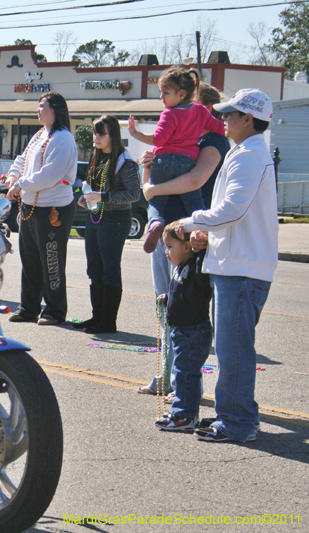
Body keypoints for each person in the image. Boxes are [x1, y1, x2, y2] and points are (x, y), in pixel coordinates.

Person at [173, 88, 277, 443]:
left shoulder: (248, 156)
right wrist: (207, 234)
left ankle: (238, 422)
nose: (224, 119)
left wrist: (190, 223)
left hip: (241, 271)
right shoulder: (245, 152)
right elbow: (235, 217)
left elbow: (234, 209)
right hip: (237, 265)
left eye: (231, 114)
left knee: (233, 351)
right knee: (233, 348)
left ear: (248, 119)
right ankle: (232, 416)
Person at [137, 83, 230, 397]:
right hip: (167, 229)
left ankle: (184, 382)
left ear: (202, 106)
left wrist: (151, 191)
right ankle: (167, 374)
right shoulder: (182, 137)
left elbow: (194, 180)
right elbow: (155, 164)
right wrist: (150, 166)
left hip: (190, 233)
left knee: (184, 311)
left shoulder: (214, 140)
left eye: (189, 105)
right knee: (164, 304)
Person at [128, 67, 225, 253]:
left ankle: (155, 222)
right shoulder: (200, 112)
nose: (161, 97)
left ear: (181, 94)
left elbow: (159, 139)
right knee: (194, 202)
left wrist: (136, 133)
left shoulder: (169, 114)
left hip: (163, 162)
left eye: (165, 93)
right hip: (187, 162)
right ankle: (200, 226)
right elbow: (220, 127)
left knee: (156, 203)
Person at [5, 92, 77, 326]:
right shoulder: (39, 135)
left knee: (51, 261)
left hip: (53, 209)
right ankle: (28, 308)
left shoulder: (63, 139)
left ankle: (55, 311)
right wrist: (13, 176)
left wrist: (19, 184)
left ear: (55, 110)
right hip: (29, 207)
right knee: (30, 260)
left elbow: (50, 175)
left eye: (42, 106)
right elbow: (22, 159)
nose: (38, 110)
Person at [73, 115, 140, 334]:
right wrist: (86, 198)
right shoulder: (97, 157)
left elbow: (133, 194)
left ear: (113, 136)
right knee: (94, 268)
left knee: (109, 269)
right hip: (96, 217)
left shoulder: (124, 161)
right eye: (95, 133)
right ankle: (97, 316)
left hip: (116, 219)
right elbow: (94, 190)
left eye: (101, 134)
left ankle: (108, 321)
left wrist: (102, 197)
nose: (96, 137)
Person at [154, 222, 212, 432]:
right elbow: (182, 294)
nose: (166, 252)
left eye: (170, 247)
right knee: (182, 371)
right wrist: (168, 298)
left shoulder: (197, 266)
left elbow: (198, 292)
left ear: (187, 247)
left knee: (186, 373)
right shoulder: (180, 268)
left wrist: (202, 249)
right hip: (182, 331)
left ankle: (184, 415)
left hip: (194, 331)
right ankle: (185, 413)